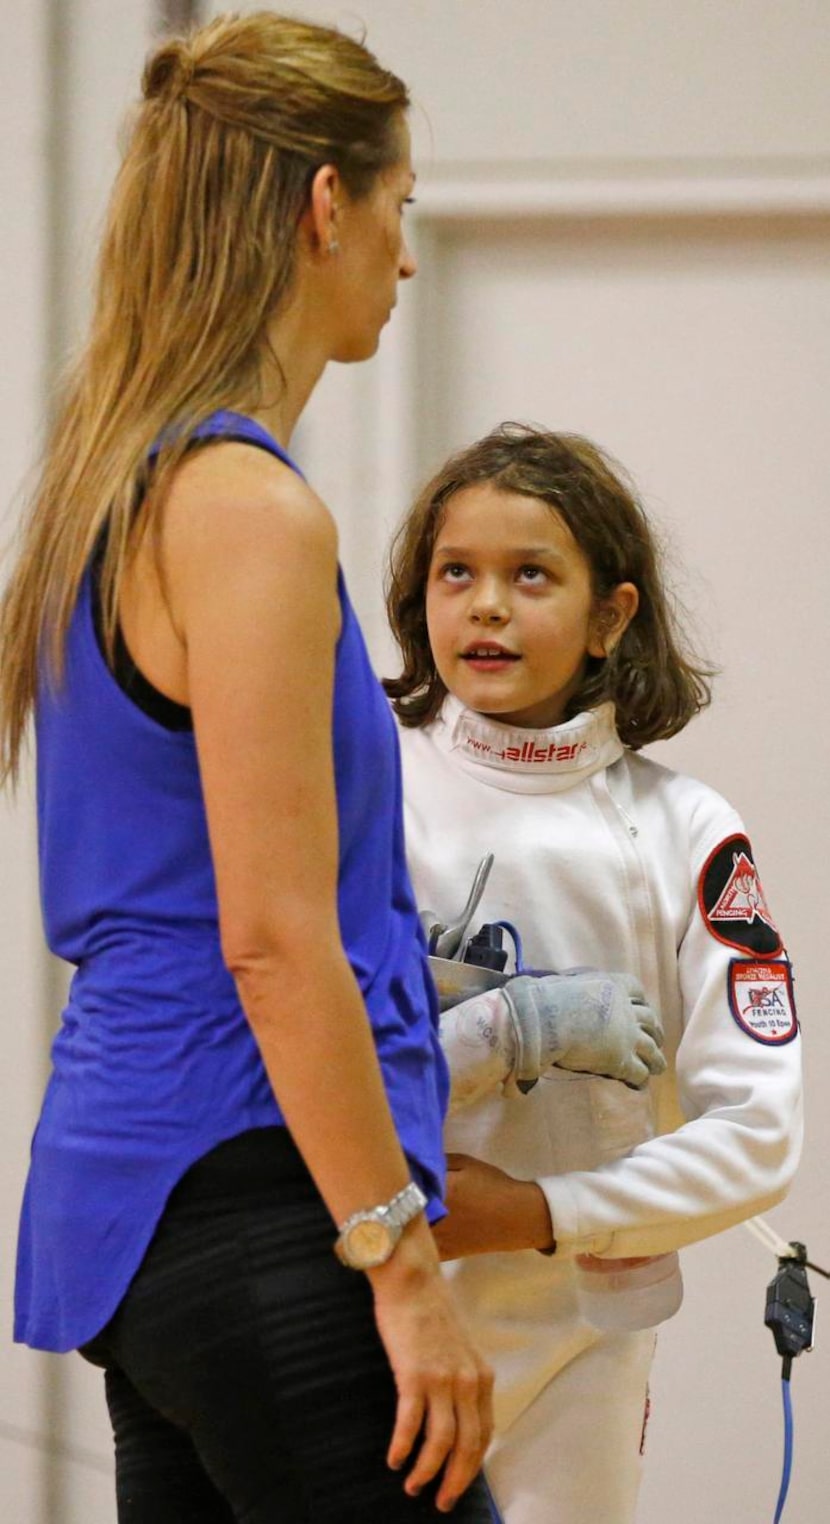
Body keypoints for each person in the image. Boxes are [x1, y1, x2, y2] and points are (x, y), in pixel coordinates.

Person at [0, 14, 508, 1520]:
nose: (406, 261)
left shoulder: (119, 482)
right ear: (323, 205)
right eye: (401, 205)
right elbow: (276, 942)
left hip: (150, 1212)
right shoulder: (243, 510)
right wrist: (397, 1260)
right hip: (255, 1195)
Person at [384, 422, 803, 1524]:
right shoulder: (362, 782)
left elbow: (759, 1135)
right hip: (369, 1302)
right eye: (454, 573)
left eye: (530, 576)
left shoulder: (685, 829)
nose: (483, 606)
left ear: (610, 615)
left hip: (584, 1332)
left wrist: (532, 1210)